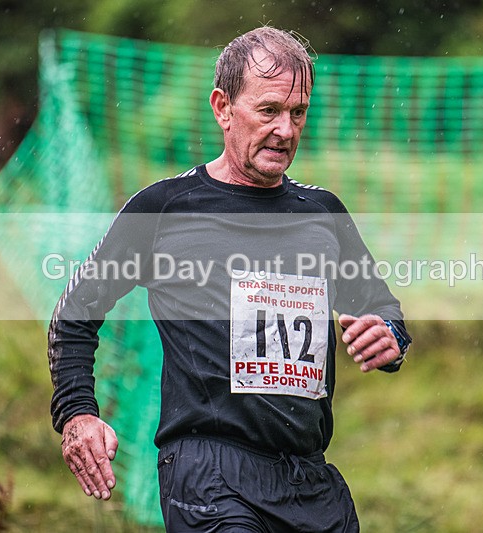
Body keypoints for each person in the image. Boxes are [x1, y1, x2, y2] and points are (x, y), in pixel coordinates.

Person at [48, 26, 411, 532]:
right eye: (269, 111)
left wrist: (388, 335)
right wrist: (77, 414)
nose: (285, 130)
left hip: (308, 478)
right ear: (223, 108)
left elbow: (382, 307)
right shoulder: (165, 209)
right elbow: (74, 312)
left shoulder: (322, 213)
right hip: (209, 472)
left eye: (298, 112)